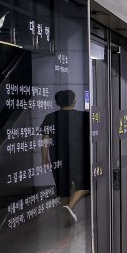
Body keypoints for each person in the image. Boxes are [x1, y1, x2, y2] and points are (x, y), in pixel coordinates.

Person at [41, 89, 90, 223]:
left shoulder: (50, 117)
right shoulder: (84, 116)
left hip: (57, 156)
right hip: (79, 156)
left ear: (57, 102)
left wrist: (44, 158)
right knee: (85, 185)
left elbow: (45, 140)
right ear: (74, 101)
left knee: (63, 189)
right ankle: (69, 208)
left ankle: (66, 216)